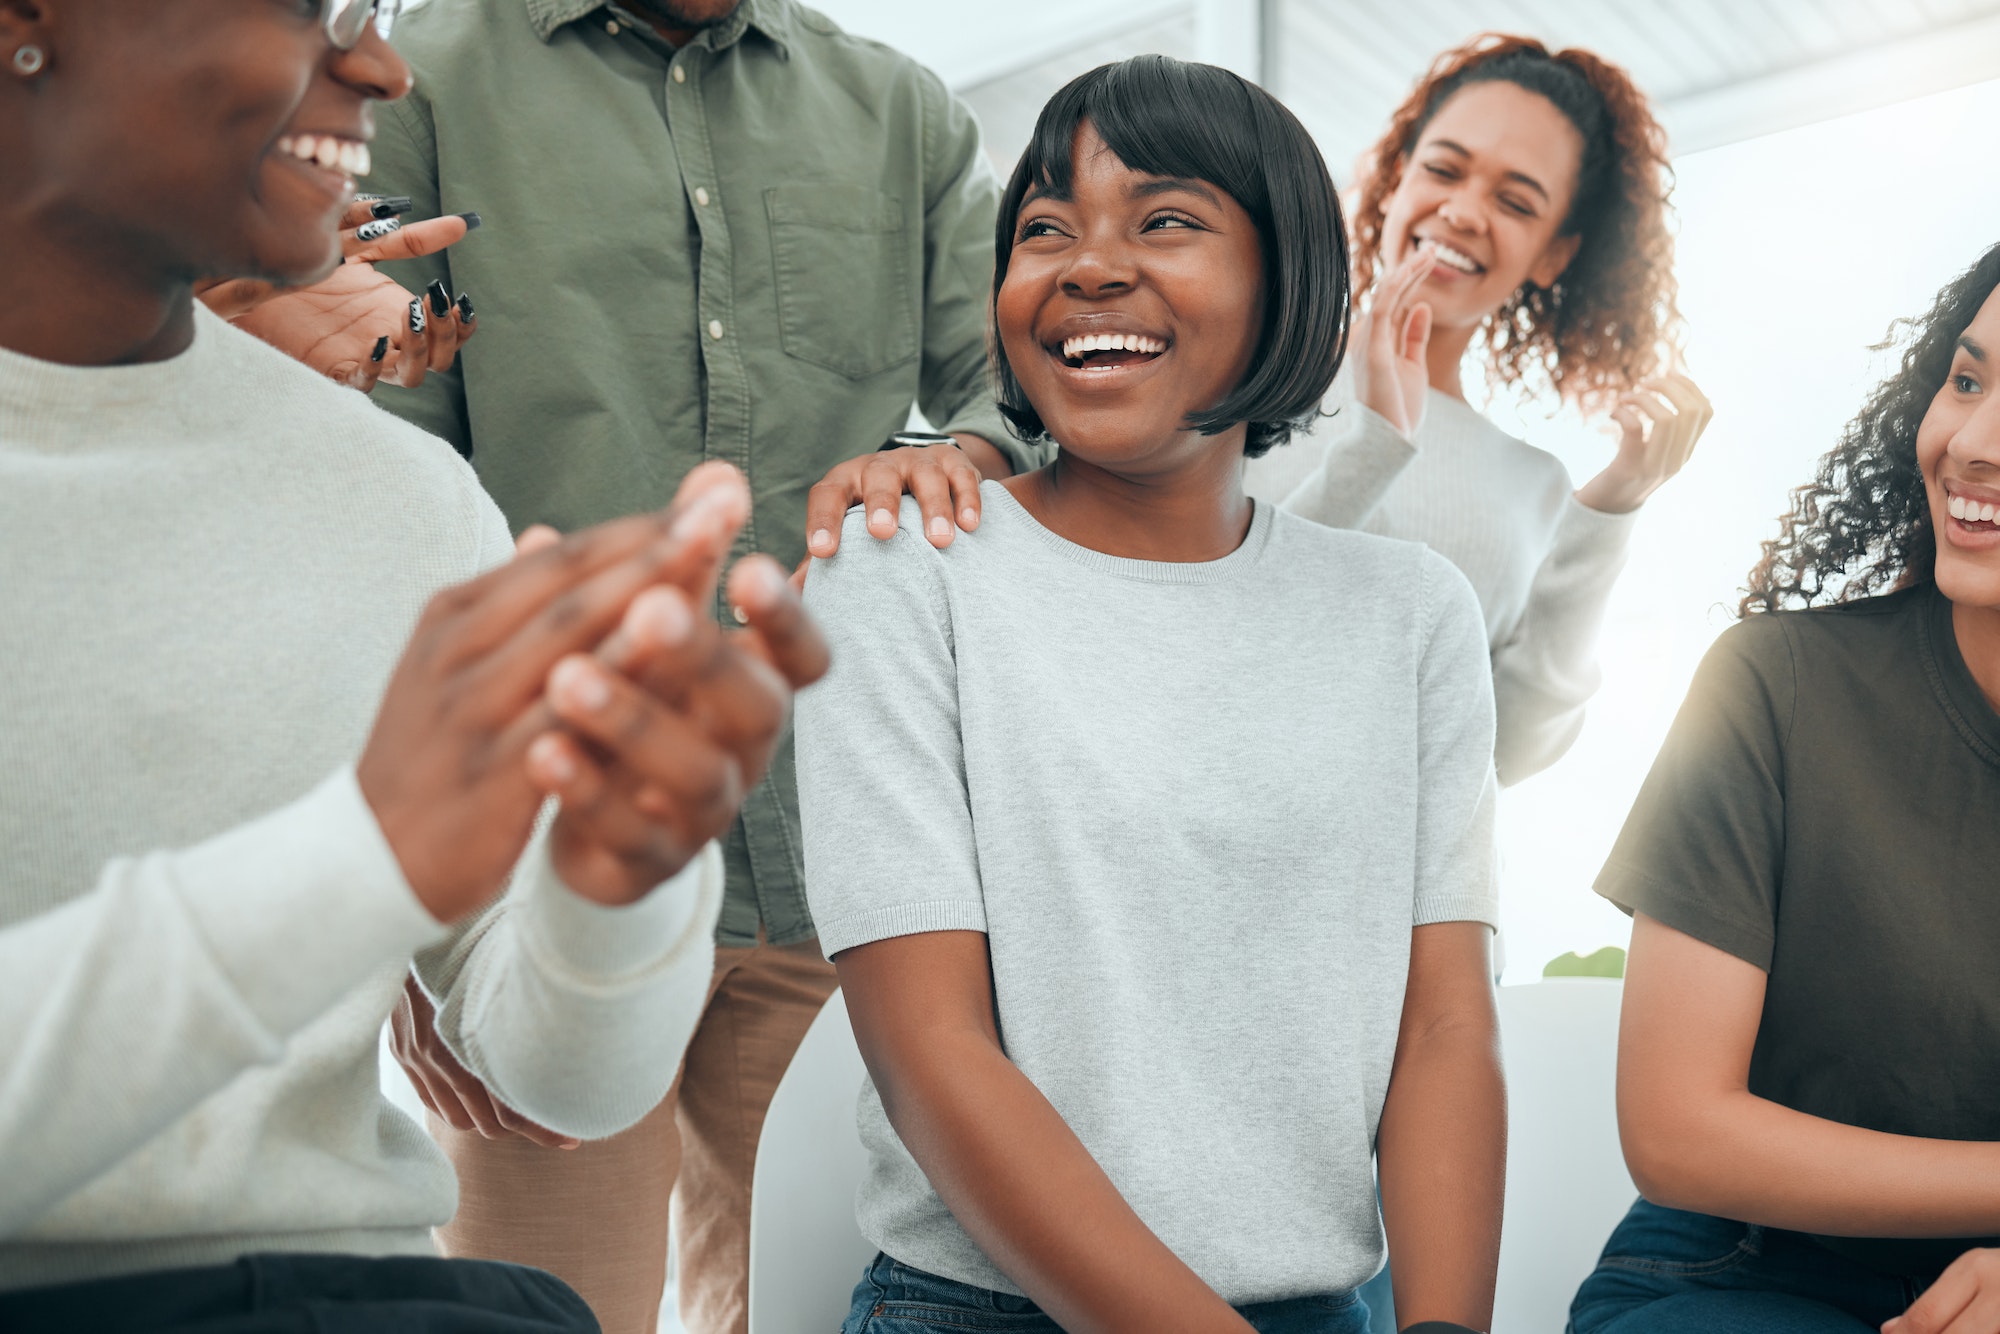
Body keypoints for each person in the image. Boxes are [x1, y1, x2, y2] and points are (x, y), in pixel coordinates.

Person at [0, 2, 824, 1329]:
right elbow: (363, 866)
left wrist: (619, 877)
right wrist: (360, 857)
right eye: (304, 10)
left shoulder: (397, 494)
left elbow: (564, 1082)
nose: (380, 67)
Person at [328, 3, 1054, 1328]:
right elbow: (369, 498)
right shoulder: (425, 81)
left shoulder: (901, 113)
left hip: (841, 868)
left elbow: (1020, 387)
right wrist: (399, 921)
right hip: (532, 881)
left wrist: (972, 450)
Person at [798, 56, 1502, 1334]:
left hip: (1321, 1305)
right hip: (983, 1312)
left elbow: (1443, 1025)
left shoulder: (1410, 614)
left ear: (1287, 276)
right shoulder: (901, 574)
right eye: (1043, 231)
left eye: (1164, 220)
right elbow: (929, 1049)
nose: (1085, 266)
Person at [1568, 243, 2000, 1333]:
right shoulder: (1775, 684)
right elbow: (1675, 1129)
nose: (1972, 444)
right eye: (1966, 378)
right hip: (1745, 1275)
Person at [1247, 34, 1712, 787]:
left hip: (1390, 893)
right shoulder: (1250, 368)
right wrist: (1376, 447)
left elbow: (1509, 750)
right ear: (1396, 180)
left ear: (1553, 256)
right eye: (1443, 170)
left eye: (1515, 201)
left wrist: (1611, 510)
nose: (1463, 212)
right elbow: (1214, 621)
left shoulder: (1533, 486)